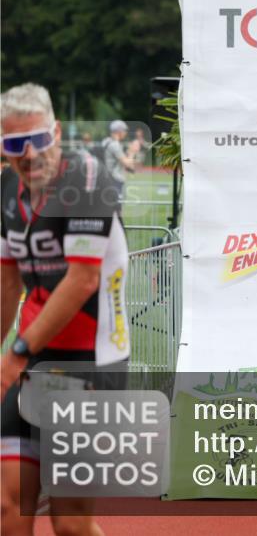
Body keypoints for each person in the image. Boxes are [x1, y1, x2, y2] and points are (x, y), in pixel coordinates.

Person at [1, 83, 130, 536]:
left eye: (38, 140)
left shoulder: (88, 179)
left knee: (70, 522)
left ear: (56, 132)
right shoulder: (6, 191)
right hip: (35, 361)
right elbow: (7, 279)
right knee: (7, 507)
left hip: (90, 364)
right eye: (14, 145)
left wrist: (16, 350)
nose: (29, 155)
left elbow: (82, 281)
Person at [102, 120, 135, 201]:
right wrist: (132, 151)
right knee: (117, 206)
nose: (125, 133)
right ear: (119, 131)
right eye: (124, 130)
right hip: (115, 180)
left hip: (107, 178)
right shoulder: (115, 145)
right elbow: (127, 163)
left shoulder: (106, 141)